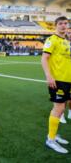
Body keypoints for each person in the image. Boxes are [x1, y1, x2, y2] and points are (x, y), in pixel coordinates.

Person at [41, 16, 71, 154]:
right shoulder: (51, 39)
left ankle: (53, 135)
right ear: (55, 25)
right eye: (60, 23)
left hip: (68, 80)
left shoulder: (67, 41)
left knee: (62, 108)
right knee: (58, 109)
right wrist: (49, 76)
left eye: (66, 23)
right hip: (58, 81)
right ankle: (50, 140)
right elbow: (44, 59)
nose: (63, 26)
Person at [60, 28, 71, 123]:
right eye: (68, 32)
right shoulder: (63, 42)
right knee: (63, 97)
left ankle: (70, 112)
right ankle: (61, 115)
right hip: (63, 74)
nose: (70, 33)